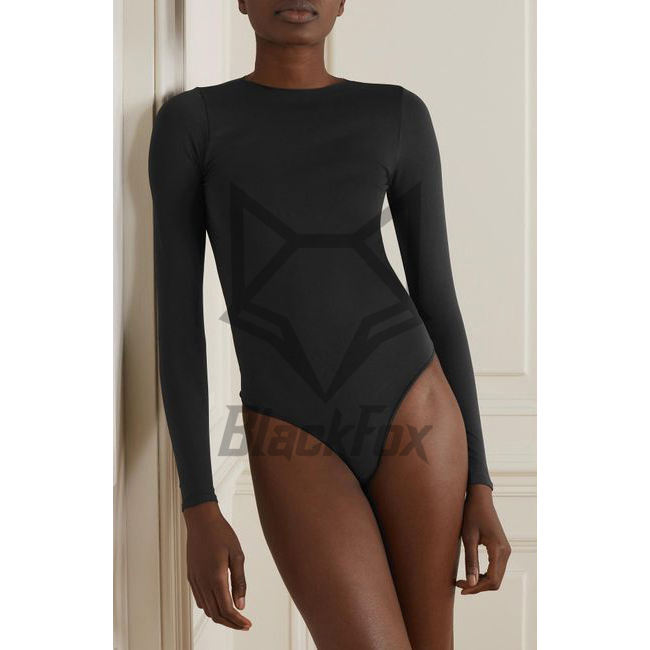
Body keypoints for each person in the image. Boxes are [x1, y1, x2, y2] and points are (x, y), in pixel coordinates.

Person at [148, 1, 511, 647]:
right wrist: (198, 504)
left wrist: (479, 483)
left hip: (414, 404)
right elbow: (177, 322)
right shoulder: (194, 122)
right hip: (291, 430)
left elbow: (437, 299)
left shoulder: (396, 114)